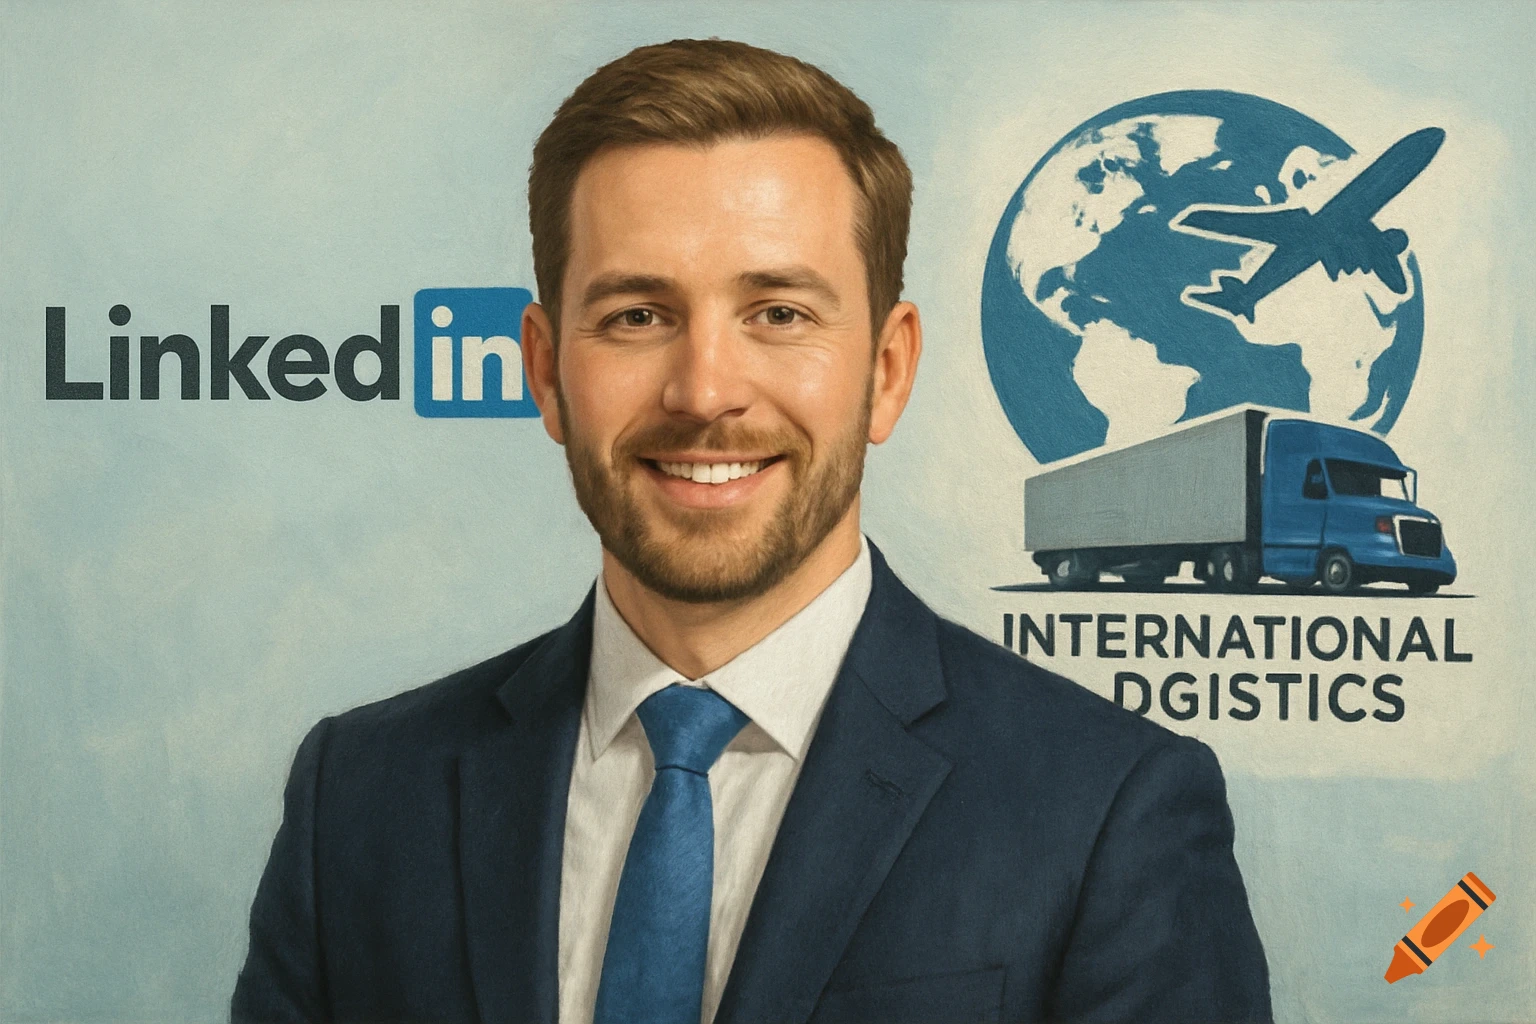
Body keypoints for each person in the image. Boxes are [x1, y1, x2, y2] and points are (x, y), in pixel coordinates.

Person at [232, 38, 1271, 1024]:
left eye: (778, 313)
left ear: (887, 370)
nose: (705, 391)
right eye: (638, 315)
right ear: (547, 371)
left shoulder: (1108, 813)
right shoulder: (360, 798)